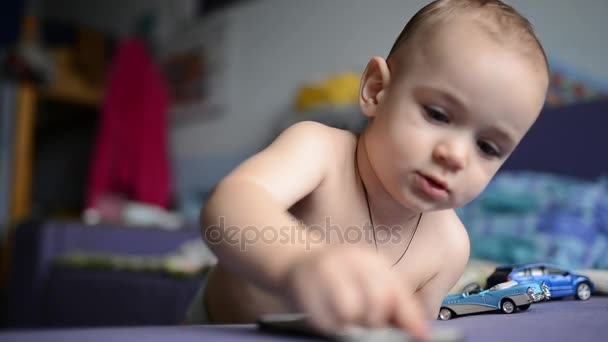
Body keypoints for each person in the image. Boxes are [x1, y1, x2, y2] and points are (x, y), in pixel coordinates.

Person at [185, 0, 549, 339]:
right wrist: (300, 262)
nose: (456, 156)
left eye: (487, 147)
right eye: (437, 114)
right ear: (377, 91)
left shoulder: (450, 247)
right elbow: (230, 204)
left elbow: (408, 332)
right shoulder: (319, 150)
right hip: (222, 328)